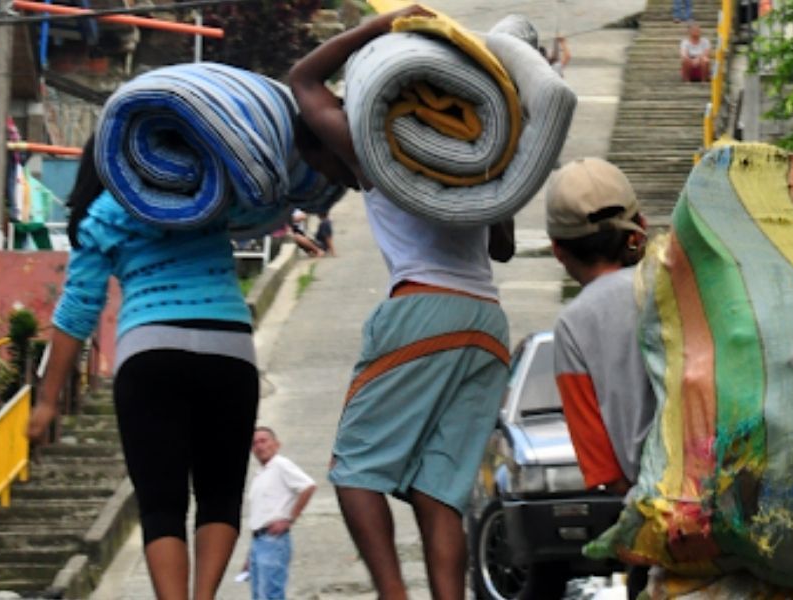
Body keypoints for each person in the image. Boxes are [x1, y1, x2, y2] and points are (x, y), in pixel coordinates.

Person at [288, 6, 516, 600]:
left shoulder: (376, 154)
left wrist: (380, 27)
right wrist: (490, 170)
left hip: (423, 309)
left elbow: (303, 83)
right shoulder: (470, 155)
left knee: (356, 471)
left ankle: (393, 595)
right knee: (438, 489)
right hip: (487, 324)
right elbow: (504, 244)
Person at [26, 136, 260, 600]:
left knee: (161, 505)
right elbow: (265, 206)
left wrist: (47, 401)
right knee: (221, 494)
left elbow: (77, 310)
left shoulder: (104, 214)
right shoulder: (208, 193)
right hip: (229, 346)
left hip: (150, 351)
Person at [546, 157, 656, 599]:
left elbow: (606, 468)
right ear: (640, 225)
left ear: (558, 249)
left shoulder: (574, 326)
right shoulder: (681, 282)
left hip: (662, 528)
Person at [244, 426, 317, 600]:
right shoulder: (260, 474)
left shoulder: (280, 464)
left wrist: (289, 519)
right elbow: (260, 514)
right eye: (255, 443)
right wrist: (250, 555)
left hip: (273, 540)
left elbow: (308, 486)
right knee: (258, 594)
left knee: (270, 595)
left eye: (264, 441)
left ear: (276, 444)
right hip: (258, 540)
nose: (259, 446)